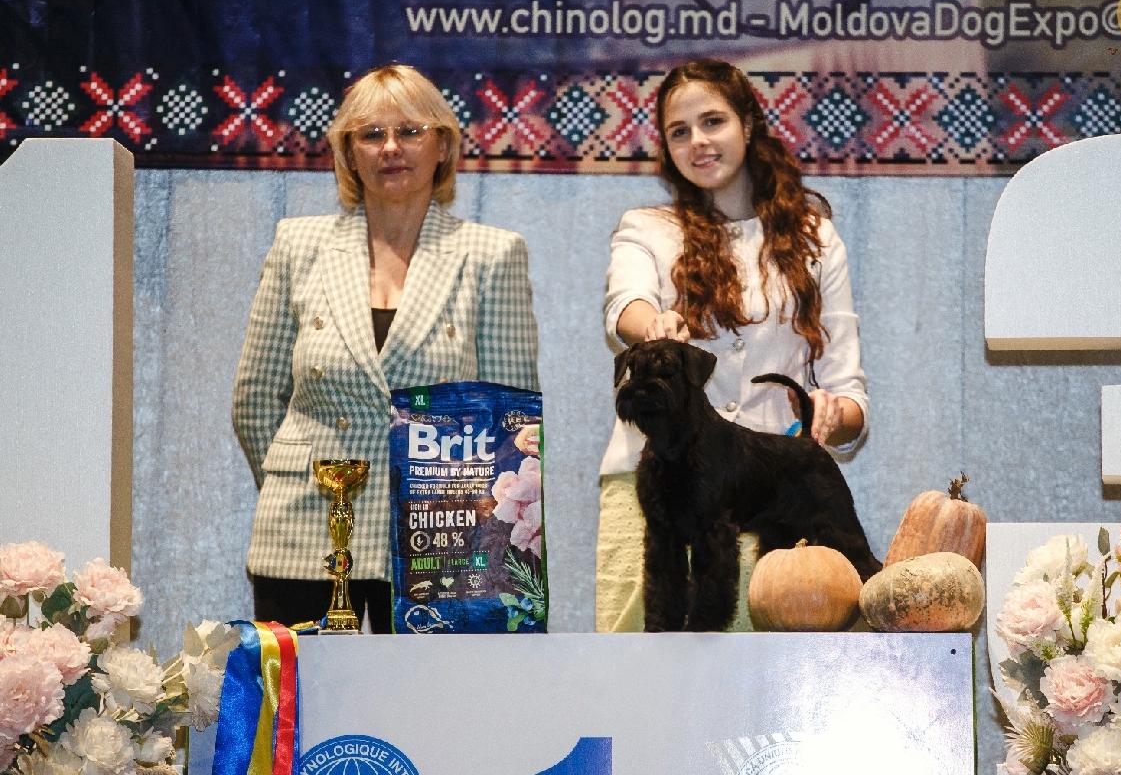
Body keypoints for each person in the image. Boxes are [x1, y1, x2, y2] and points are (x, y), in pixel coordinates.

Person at [233, 64, 539, 632]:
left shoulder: (491, 255)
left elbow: (511, 425)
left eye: (411, 131)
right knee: (305, 691)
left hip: (441, 544)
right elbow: (254, 398)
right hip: (304, 531)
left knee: (430, 694)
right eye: (371, 134)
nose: (391, 148)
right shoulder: (298, 244)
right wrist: (299, 477)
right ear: (349, 154)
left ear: (442, 146)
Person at [595, 59, 869, 632]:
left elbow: (849, 396)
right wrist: (655, 326)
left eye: (712, 121)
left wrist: (831, 412)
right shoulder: (645, 227)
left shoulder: (816, 239)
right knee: (638, 666)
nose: (697, 141)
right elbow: (626, 306)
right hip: (658, 485)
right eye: (679, 131)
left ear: (748, 123)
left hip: (769, 496)